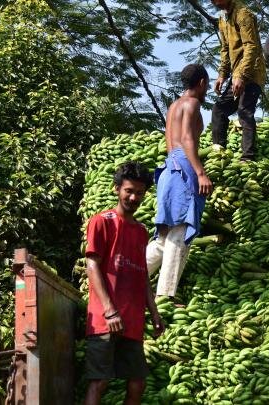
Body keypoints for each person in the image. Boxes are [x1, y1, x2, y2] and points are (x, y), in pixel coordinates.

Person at [84, 162, 164, 405]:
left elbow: (142, 276)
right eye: (128, 190)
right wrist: (109, 311)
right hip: (105, 320)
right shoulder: (102, 221)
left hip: (132, 320)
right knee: (99, 381)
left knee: (138, 382)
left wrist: (155, 312)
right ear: (117, 189)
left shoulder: (141, 231)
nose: (133, 197)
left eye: (139, 193)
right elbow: (92, 265)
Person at [146, 64, 213, 300]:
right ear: (202, 82)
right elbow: (186, 138)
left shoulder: (173, 106)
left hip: (169, 167)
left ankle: (131, 277)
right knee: (179, 232)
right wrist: (200, 171)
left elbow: (170, 142)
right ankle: (165, 295)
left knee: (164, 237)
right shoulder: (192, 104)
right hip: (183, 167)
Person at [210, 0, 266, 161]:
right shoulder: (222, 18)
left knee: (244, 111)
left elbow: (251, 47)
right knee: (219, 109)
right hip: (236, 75)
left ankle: (248, 156)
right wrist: (222, 74)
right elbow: (225, 49)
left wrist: (241, 75)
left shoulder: (243, 14)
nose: (214, 2)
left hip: (252, 73)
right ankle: (219, 151)